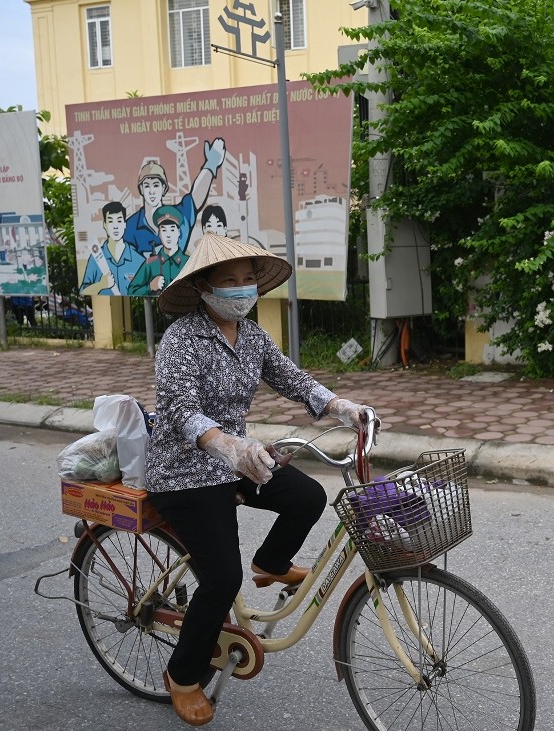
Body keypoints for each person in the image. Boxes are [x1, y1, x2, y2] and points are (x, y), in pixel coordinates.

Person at [144, 232, 371, 726]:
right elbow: (180, 412)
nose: (242, 290)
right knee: (222, 578)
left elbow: (292, 378)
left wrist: (339, 405)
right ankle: (183, 676)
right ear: (204, 288)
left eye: (249, 280)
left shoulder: (251, 336)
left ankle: (271, 562)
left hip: (238, 460)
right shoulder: (181, 339)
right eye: (230, 281)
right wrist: (228, 445)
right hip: (184, 472)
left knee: (308, 495)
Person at [123, 139, 225, 257]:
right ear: (141, 189)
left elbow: (195, 197)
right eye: (147, 186)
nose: (151, 191)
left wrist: (211, 165)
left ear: (164, 188)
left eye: (156, 185)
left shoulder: (178, 215)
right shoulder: (131, 226)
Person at [79, 201, 145, 296]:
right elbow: (83, 292)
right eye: (110, 221)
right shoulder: (95, 258)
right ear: (104, 225)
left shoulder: (138, 260)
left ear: (124, 224)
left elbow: (147, 289)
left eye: (119, 221)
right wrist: (101, 285)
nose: (115, 226)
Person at [127, 206, 190, 296]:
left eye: (172, 229)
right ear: (159, 233)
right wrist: (150, 287)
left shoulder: (188, 262)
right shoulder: (151, 263)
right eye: (164, 230)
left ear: (178, 232)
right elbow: (132, 291)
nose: (168, 235)